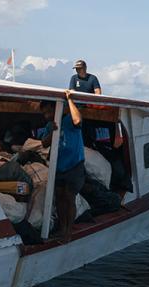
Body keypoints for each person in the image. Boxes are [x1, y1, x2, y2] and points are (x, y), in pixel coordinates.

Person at [50, 91, 87, 240]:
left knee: (69, 196)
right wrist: (51, 131)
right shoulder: (51, 124)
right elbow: (45, 143)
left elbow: (78, 120)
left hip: (74, 164)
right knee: (59, 197)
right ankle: (62, 227)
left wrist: (70, 100)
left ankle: (68, 231)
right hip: (59, 166)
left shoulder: (69, 120)